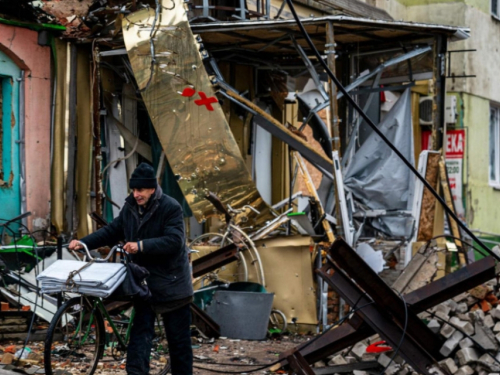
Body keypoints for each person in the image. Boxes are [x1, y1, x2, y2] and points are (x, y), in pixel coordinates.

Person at [69, 162, 193, 375]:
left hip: (172, 285)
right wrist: (84, 243)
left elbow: (175, 241)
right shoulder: (130, 208)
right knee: (139, 336)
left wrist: (141, 245)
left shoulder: (170, 207)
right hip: (144, 285)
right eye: (134, 190)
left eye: (140, 190)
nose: (136, 194)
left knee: (178, 344)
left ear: (152, 189)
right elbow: (112, 231)